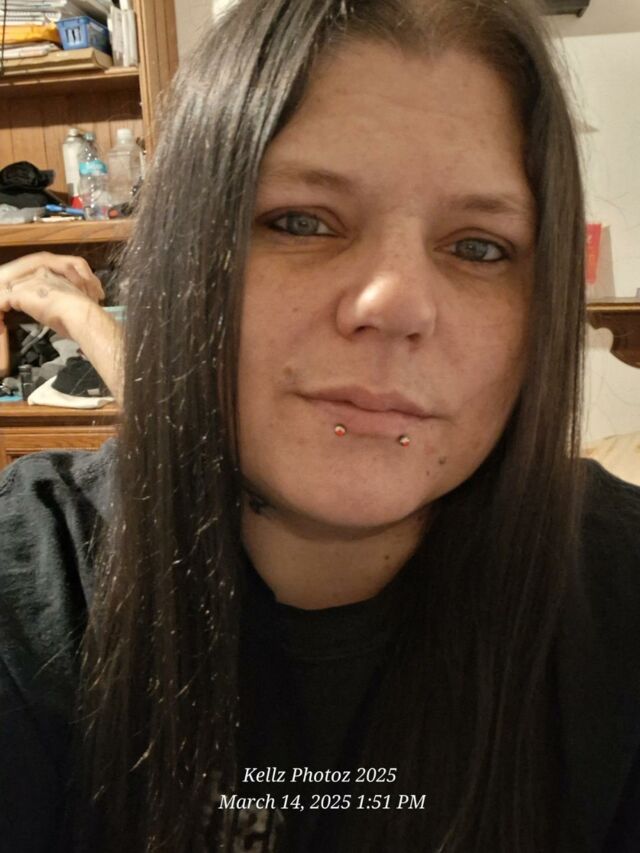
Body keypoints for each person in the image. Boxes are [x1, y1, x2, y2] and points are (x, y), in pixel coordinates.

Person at [0, 0, 639, 851]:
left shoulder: (619, 597)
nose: (397, 303)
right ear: (188, 249)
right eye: (301, 221)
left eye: (480, 247)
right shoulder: (34, 583)